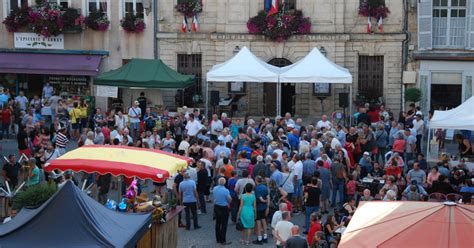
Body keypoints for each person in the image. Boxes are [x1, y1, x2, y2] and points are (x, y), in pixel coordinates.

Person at [213, 177, 232, 245]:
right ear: (224, 183)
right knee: (224, 224)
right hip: (224, 207)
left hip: (216, 206)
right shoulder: (226, 190)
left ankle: (217, 238)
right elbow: (229, 199)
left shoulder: (214, 188)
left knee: (218, 223)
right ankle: (223, 240)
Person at [253, 176, 269, 244]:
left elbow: (260, 199)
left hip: (259, 207)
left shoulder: (256, 188)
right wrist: (267, 204)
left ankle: (259, 238)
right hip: (264, 207)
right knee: (264, 221)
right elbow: (268, 196)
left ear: (256, 181)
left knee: (258, 222)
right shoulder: (265, 187)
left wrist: (264, 201)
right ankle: (265, 237)